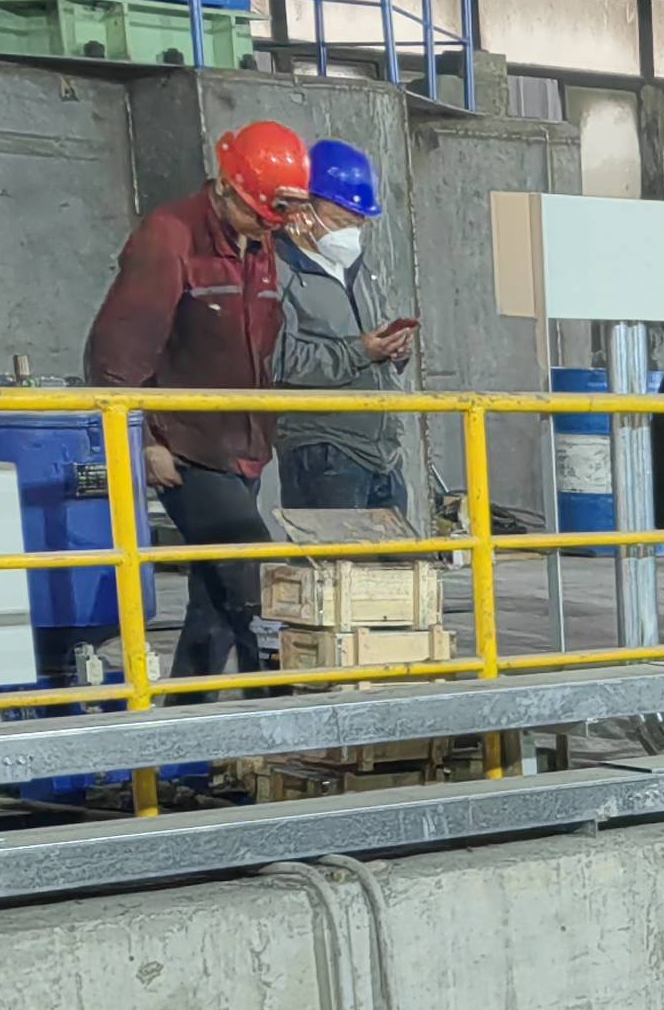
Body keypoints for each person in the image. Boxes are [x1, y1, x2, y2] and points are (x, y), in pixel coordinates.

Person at [87, 120, 306, 685]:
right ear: (228, 187)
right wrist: (145, 440)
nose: (270, 227)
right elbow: (116, 349)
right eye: (262, 215)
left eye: (277, 217)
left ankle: (188, 718)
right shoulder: (169, 237)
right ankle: (283, 713)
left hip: (242, 445)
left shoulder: (259, 242)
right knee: (254, 581)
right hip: (185, 445)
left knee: (214, 600)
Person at [271, 140, 420, 517]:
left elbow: (372, 335)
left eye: (358, 222)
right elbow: (279, 360)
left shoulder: (357, 269)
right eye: (340, 221)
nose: (350, 233)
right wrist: (360, 352)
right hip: (323, 451)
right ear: (304, 209)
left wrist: (393, 350)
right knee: (335, 556)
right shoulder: (277, 272)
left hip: (382, 452)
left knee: (396, 557)